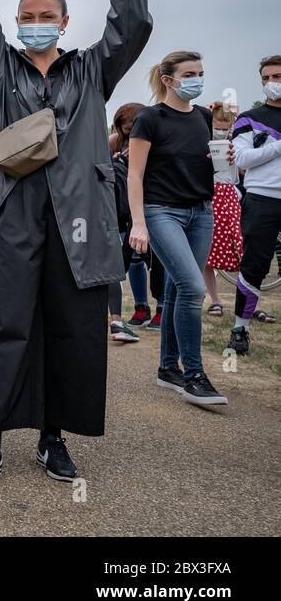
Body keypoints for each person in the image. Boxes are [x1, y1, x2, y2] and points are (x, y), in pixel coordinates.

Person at [0, 0, 152, 487]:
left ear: (64, 22)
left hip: (79, 217)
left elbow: (133, 25)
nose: (33, 22)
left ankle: (52, 438)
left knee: (72, 325)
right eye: (25, 13)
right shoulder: (1, 67)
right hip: (13, 210)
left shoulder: (92, 69)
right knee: (5, 322)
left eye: (45, 14)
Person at [128, 52, 225, 406]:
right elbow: (134, 174)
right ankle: (194, 374)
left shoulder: (203, 116)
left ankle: (168, 368)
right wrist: (138, 222)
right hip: (161, 212)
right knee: (192, 287)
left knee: (175, 290)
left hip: (201, 211)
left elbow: (207, 161)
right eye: (189, 73)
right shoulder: (149, 119)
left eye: (200, 72)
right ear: (168, 80)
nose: (197, 79)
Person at [226, 55, 281, 353]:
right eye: (266, 78)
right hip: (263, 198)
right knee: (254, 265)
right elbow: (243, 160)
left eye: (277, 76)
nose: (272, 83)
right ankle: (240, 329)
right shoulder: (248, 118)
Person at [105, 103, 144, 343]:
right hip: (116, 211)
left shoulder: (151, 139)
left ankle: (148, 309)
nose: (129, 130)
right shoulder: (112, 143)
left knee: (137, 263)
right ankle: (117, 321)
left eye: (132, 125)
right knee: (114, 268)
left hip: (137, 210)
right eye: (125, 126)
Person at [204, 101, 242, 317]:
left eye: (224, 124)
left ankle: (248, 300)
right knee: (205, 250)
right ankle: (215, 299)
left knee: (237, 246)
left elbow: (242, 171)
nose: (220, 128)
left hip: (228, 195)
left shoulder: (236, 144)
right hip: (207, 194)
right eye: (217, 123)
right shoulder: (200, 141)